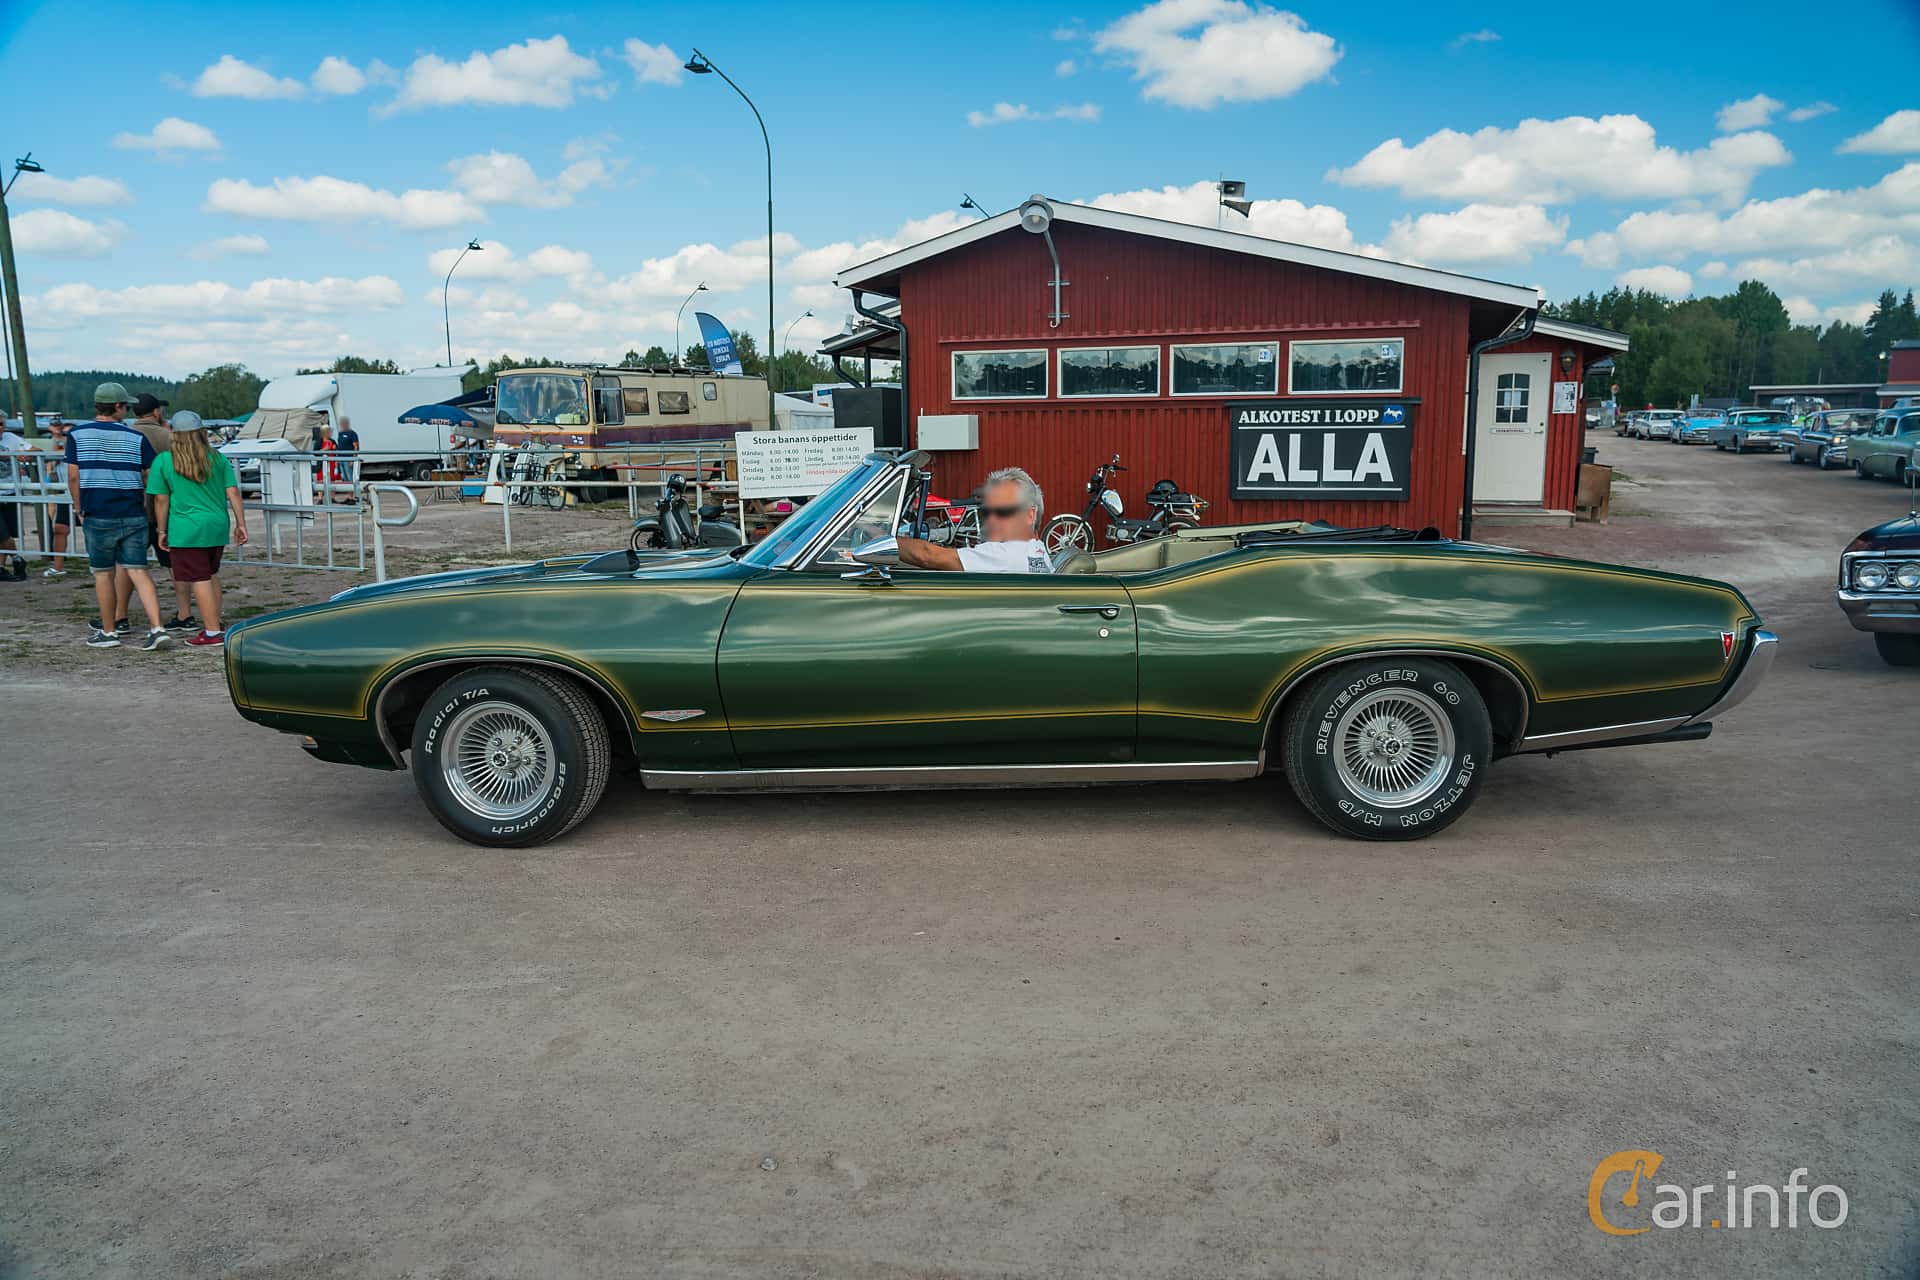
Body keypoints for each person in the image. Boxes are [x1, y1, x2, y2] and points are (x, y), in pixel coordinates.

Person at [66, 382, 171, 650]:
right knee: (138, 570)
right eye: (126, 406)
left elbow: (74, 476)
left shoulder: (77, 435)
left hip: (97, 512)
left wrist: (79, 508)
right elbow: (150, 475)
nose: (128, 410)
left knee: (103, 574)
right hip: (133, 512)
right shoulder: (135, 438)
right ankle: (157, 628)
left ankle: (109, 631)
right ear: (117, 407)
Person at [146, 410, 246, 646]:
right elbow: (232, 491)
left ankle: (212, 632)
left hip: (186, 527)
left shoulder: (163, 461)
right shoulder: (217, 458)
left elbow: (161, 499)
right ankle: (215, 622)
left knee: (198, 578)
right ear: (201, 432)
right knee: (211, 574)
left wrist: (162, 530)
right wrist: (241, 523)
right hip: (216, 524)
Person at [896, 466, 1052, 573]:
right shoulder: (1038, 552)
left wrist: (881, 540)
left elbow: (927, 556)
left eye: (1003, 511)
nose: (991, 519)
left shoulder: (1005, 555)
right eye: (987, 512)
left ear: (1029, 516)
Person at [127, 392, 194, 630]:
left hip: (134, 507)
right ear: (156, 412)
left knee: (129, 564)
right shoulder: (168, 437)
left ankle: (118, 616)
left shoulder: (127, 435)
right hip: (165, 510)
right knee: (174, 565)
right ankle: (185, 614)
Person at [41, 417, 72, 576]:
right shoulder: (50, 443)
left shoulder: (77, 447)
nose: (63, 436)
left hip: (80, 492)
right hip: (62, 491)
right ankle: (58, 567)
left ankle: (98, 563)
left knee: (89, 527)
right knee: (60, 528)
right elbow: (47, 463)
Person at [0, 416, 27, 581]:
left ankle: (1, 567)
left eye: (1, 424)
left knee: (6, 534)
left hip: (9, 493)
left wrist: (23, 457)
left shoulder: (11, 439)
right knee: (2, 534)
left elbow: (34, 451)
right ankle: (17, 559)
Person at [334, 414, 359, 495]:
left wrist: (353, 459)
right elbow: (339, 446)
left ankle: (353, 496)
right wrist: (337, 459)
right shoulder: (340, 433)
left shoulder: (352, 433)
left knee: (350, 477)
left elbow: (356, 446)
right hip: (340, 459)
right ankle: (349, 496)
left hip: (348, 458)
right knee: (345, 479)